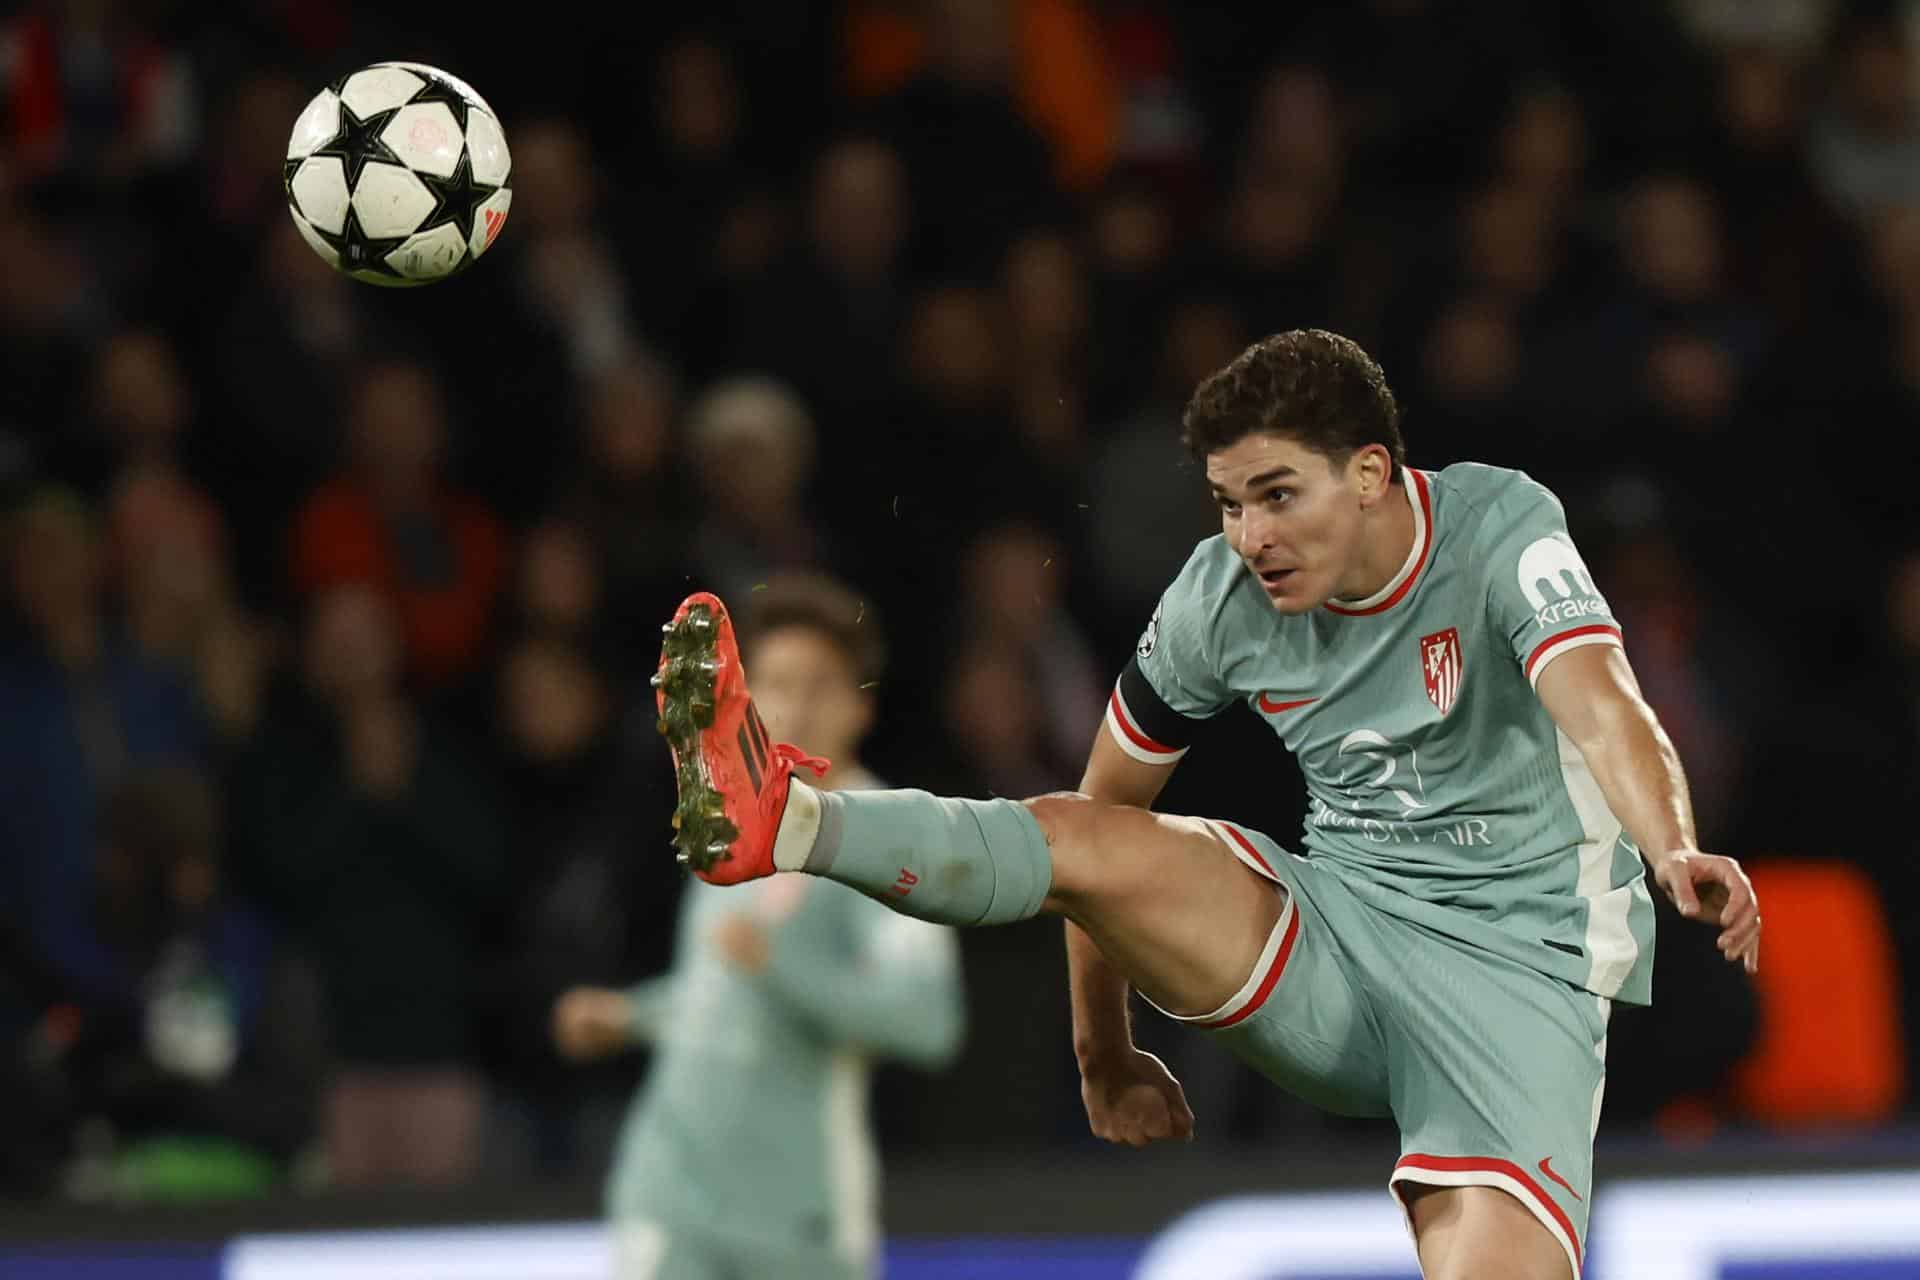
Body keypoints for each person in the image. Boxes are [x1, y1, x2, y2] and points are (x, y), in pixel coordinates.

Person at [652, 330, 1762, 1280]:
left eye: (1278, 494)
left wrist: (1675, 847)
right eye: (1230, 503)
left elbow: (1608, 706)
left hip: (1521, 972)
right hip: (1338, 930)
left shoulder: (1500, 530)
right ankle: (788, 819)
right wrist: (1103, 1050)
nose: (1251, 537)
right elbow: (1090, 831)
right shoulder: (1216, 599)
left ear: (1370, 473)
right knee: (1081, 825)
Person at [555, 573, 965, 1280]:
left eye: (820, 684)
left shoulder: (885, 840)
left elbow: (928, 1020)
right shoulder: (723, 816)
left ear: (859, 705)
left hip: (795, 1219)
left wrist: (784, 967)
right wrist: (630, 1015)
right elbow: (717, 995)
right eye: (775, 682)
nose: (796, 705)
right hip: (672, 1196)